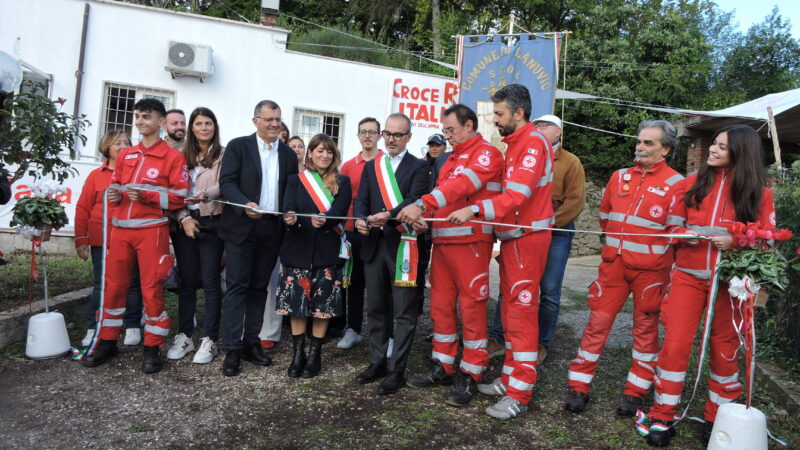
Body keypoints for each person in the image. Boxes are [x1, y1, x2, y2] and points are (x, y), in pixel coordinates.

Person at [644, 125, 775, 447]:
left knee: (725, 351)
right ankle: (662, 415)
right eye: (714, 144)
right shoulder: (690, 184)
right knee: (674, 346)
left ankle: (718, 416)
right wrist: (683, 236)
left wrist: (737, 240)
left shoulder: (760, 192)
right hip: (688, 278)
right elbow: (669, 229)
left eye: (721, 147)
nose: (713, 150)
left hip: (730, 285)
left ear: (741, 153)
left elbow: (767, 242)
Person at [564, 120, 684, 417]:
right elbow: (606, 218)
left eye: (648, 143)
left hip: (652, 272)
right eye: (639, 141)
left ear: (665, 149)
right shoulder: (618, 177)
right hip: (613, 267)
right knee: (596, 326)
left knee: (645, 332)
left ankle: (635, 393)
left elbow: (677, 233)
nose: (639, 147)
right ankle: (578, 386)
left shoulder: (677, 184)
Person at [448, 84, 554, 420]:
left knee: (522, 316)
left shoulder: (533, 143)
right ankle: (510, 379)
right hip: (514, 239)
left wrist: (476, 211)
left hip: (527, 239)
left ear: (519, 113)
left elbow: (518, 196)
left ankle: (520, 393)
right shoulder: (518, 144)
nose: (494, 120)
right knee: (510, 313)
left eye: (499, 114)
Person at [398, 104, 503, 407]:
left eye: (451, 130)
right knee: (441, 308)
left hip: (471, 244)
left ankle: (471, 372)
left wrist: (421, 205)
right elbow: (444, 201)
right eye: (444, 130)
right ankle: (442, 366)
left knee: (471, 310)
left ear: (469, 125)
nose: (447, 136)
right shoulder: (449, 160)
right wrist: (423, 223)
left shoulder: (486, 153)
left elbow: (461, 187)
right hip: (443, 244)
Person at [83, 98, 189, 373]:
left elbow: (179, 197)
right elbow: (116, 184)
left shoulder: (173, 157)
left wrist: (146, 195)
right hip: (119, 230)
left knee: (151, 288)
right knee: (113, 286)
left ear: (161, 122)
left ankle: (153, 347)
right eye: (137, 116)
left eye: (146, 117)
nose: (140, 121)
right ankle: (107, 341)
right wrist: (116, 191)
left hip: (151, 231)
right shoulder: (127, 155)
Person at [486, 115, 585, 362]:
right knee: (511, 285)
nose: (538, 129)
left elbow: (575, 201)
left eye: (544, 126)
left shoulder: (571, 162)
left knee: (549, 290)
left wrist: (546, 224)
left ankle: (542, 342)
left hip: (554, 232)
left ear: (559, 132)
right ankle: (499, 337)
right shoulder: (521, 153)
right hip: (523, 230)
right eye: (537, 124)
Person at [217, 100, 298, 376]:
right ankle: (232, 348)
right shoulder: (238, 146)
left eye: (277, 118)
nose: (274, 124)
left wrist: (289, 211)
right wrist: (246, 204)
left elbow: (290, 188)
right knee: (238, 287)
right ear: (255, 121)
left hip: (271, 230)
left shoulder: (288, 154)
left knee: (259, 289)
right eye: (268, 119)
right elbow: (227, 183)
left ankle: (252, 343)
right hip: (241, 227)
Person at [353, 113, 431, 395]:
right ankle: (377, 362)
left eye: (399, 134)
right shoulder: (373, 166)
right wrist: (361, 219)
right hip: (374, 245)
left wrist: (390, 214)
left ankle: (396, 369)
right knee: (375, 309)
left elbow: (415, 199)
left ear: (409, 137)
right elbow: (361, 198)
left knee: (403, 313)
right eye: (388, 133)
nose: (392, 139)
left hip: (403, 247)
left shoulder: (420, 168)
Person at [277, 133, 352, 378]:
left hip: (326, 251)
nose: (324, 155)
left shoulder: (344, 181)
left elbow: (340, 212)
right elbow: (288, 207)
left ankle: (315, 355)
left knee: (323, 308)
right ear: (310, 153)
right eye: (319, 150)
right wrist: (289, 218)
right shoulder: (295, 180)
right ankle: (297, 354)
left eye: (329, 151)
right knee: (297, 306)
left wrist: (327, 221)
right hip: (297, 248)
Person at [165, 107, 226, 364]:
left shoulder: (224, 155)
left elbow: (226, 184)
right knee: (187, 280)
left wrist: (207, 193)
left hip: (212, 221)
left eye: (208, 123)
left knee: (211, 281)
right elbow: (171, 190)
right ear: (191, 127)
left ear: (214, 127)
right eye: (199, 123)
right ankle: (185, 335)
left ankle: (210, 338)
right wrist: (183, 218)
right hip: (184, 222)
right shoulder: (179, 155)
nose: (204, 128)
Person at [74, 130, 143, 348]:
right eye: (117, 143)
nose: (123, 146)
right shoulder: (96, 175)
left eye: (126, 142)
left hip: (129, 236)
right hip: (101, 238)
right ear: (107, 148)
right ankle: (94, 327)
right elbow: (83, 207)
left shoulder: (136, 174)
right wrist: (81, 239)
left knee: (132, 282)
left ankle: (132, 325)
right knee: (101, 283)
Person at [333, 118, 384, 349]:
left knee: (379, 285)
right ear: (357, 135)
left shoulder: (387, 163)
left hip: (380, 233)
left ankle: (382, 333)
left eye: (372, 132)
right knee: (352, 283)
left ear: (379, 135)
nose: (368, 136)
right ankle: (352, 329)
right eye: (363, 132)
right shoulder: (348, 167)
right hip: (353, 231)